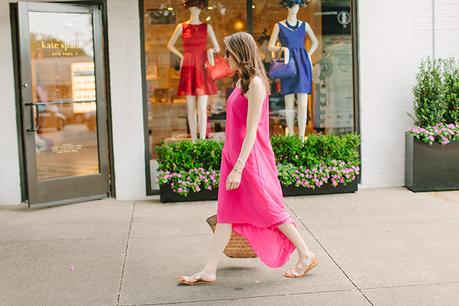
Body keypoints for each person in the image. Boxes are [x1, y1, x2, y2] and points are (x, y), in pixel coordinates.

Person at [177, 32, 318, 285]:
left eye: (229, 53)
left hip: (249, 161)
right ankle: (209, 270)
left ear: (241, 53)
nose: (225, 57)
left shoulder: (255, 84)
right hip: (233, 159)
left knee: (271, 209)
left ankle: (306, 254)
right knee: (226, 215)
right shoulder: (240, 80)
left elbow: (252, 131)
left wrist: (239, 167)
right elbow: (215, 74)